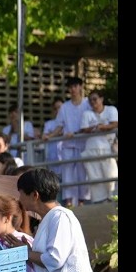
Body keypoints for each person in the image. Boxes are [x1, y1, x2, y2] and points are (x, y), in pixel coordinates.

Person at [54, 77, 91, 206]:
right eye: (71, 87)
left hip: (84, 144)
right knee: (68, 174)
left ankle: (82, 202)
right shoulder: (64, 107)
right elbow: (59, 125)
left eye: (75, 86)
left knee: (83, 174)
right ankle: (69, 203)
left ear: (80, 87)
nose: (73, 89)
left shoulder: (88, 103)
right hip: (68, 144)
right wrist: (50, 135)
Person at [79, 89, 118, 204]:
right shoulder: (87, 114)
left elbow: (115, 123)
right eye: (90, 100)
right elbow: (84, 128)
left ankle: (113, 199)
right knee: (94, 176)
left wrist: (102, 127)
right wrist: (96, 127)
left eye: (95, 99)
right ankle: (100, 202)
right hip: (91, 148)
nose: (93, 102)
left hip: (107, 147)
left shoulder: (111, 110)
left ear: (101, 99)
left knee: (111, 174)